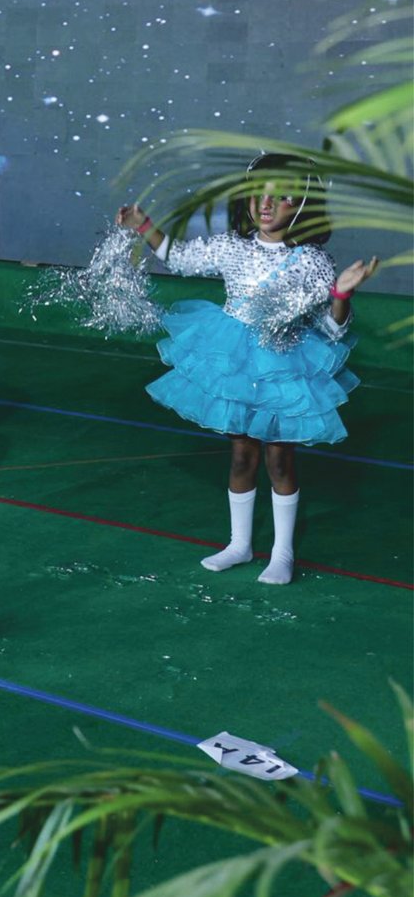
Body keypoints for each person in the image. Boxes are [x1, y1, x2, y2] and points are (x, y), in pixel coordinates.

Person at [117, 152, 376, 584]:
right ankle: (239, 545)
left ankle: (282, 553)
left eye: (282, 196)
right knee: (241, 456)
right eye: (259, 194)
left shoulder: (311, 261)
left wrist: (340, 294)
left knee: (279, 459)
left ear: (302, 206)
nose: (267, 204)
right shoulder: (232, 247)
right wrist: (144, 226)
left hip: (282, 364)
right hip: (235, 361)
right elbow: (180, 258)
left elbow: (333, 330)